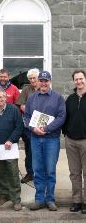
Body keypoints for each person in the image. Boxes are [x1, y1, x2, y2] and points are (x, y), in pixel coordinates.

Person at [24, 71, 66, 211]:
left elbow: (61, 117)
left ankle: (50, 199)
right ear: (38, 81)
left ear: (50, 82)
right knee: (37, 170)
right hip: (35, 138)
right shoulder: (31, 98)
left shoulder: (58, 98)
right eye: (41, 80)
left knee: (50, 170)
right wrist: (33, 128)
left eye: (45, 81)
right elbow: (27, 117)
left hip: (51, 139)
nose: (43, 83)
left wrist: (47, 128)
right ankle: (39, 199)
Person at [0, 89, 24, 211]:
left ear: (5, 98)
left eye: (1, 97)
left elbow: (19, 126)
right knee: (0, 172)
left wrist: (11, 140)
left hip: (10, 147)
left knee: (12, 173)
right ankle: (4, 195)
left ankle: (16, 199)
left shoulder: (13, 109)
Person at [63, 69, 86, 214]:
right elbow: (64, 117)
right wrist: (65, 133)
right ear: (74, 81)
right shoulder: (70, 99)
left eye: (81, 79)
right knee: (74, 173)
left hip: (85, 141)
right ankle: (77, 201)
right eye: (76, 79)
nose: (79, 81)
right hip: (70, 140)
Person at [16, 68, 40, 184]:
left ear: (38, 78)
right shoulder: (26, 89)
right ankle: (30, 173)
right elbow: (21, 105)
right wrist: (31, 111)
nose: (32, 80)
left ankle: (40, 173)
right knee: (29, 150)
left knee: (40, 151)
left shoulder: (44, 88)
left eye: (34, 78)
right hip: (28, 125)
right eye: (30, 78)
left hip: (41, 124)